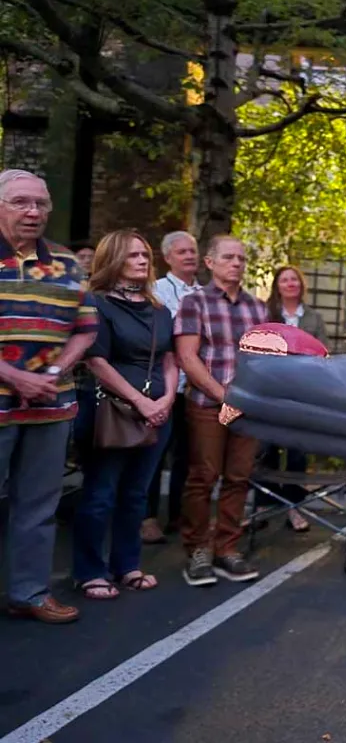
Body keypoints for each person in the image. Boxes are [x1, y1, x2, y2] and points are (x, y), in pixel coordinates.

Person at [0, 169, 97, 624]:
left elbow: (85, 329)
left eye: (40, 203)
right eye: (20, 202)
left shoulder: (67, 264)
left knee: (39, 506)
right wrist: (14, 378)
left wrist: (54, 372)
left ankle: (29, 593)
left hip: (52, 405)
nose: (33, 212)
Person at [71, 229, 177, 599]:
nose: (143, 260)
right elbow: (96, 361)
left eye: (146, 254)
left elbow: (170, 359)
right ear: (114, 259)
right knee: (100, 493)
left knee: (136, 495)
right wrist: (141, 401)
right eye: (133, 255)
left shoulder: (160, 309)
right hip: (110, 410)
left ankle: (127, 565)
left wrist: (164, 403)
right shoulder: (96, 303)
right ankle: (88, 571)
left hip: (157, 413)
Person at [175, 235, 267, 586]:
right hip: (207, 405)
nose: (237, 263)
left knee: (239, 478)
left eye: (242, 258)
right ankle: (198, 549)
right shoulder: (193, 303)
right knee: (203, 477)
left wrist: (251, 398)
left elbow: (266, 360)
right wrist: (222, 395)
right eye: (229, 257)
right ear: (209, 263)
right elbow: (187, 357)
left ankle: (227, 548)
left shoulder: (257, 308)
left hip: (248, 408)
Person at [257, 265, 330, 532]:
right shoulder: (265, 313)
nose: (290, 284)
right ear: (277, 285)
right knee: (266, 449)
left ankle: (294, 507)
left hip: (303, 393)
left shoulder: (313, 317)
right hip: (269, 391)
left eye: (294, 280)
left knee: (297, 451)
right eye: (285, 280)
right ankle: (264, 504)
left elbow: (324, 351)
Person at [141, 230, 202, 544]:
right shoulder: (157, 291)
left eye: (192, 251)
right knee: (155, 452)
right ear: (167, 257)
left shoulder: (206, 293)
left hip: (197, 387)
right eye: (182, 252)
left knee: (187, 455)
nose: (189, 256)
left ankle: (179, 514)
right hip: (166, 387)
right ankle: (147, 516)